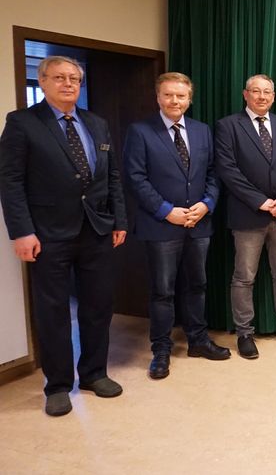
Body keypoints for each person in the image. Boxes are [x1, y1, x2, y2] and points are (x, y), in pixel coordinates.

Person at [0, 56, 127, 415]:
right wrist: (22, 231)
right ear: (43, 82)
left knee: (98, 307)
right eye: (59, 77)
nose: (68, 83)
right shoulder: (23, 123)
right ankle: (57, 385)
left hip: (97, 231)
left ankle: (93, 373)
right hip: (47, 234)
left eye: (74, 78)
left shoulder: (96, 123)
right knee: (53, 311)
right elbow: (10, 182)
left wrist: (119, 220)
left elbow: (112, 177)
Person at [124, 72, 231, 379]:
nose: (175, 101)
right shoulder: (141, 131)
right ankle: (161, 349)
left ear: (189, 99)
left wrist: (206, 204)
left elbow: (213, 173)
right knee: (162, 291)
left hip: (198, 224)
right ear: (158, 97)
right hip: (161, 226)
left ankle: (198, 340)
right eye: (168, 95)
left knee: (197, 285)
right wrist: (165, 210)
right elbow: (135, 178)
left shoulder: (202, 131)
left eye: (181, 96)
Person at [214, 74, 276, 359]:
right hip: (248, 215)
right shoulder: (228, 126)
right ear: (246, 94)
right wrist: (261, 201)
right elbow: (228, 170)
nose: (262, 96)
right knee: (244, 276)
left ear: (274, 96)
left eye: (267, 92)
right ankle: (244, 332)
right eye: (256, 91)